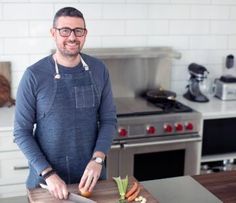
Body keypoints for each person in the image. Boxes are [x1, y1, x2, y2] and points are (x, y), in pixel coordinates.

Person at [13, 7, 117, 200]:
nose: (72, 37)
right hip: (47, 184)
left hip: (91, 182)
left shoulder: (99, 69)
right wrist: (48, 173)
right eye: (65, 30)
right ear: (53, 33)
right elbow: (21, 132)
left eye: (78, 31)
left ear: (85, 34)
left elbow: (109, 120)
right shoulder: (34, 76)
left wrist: (98, 159)